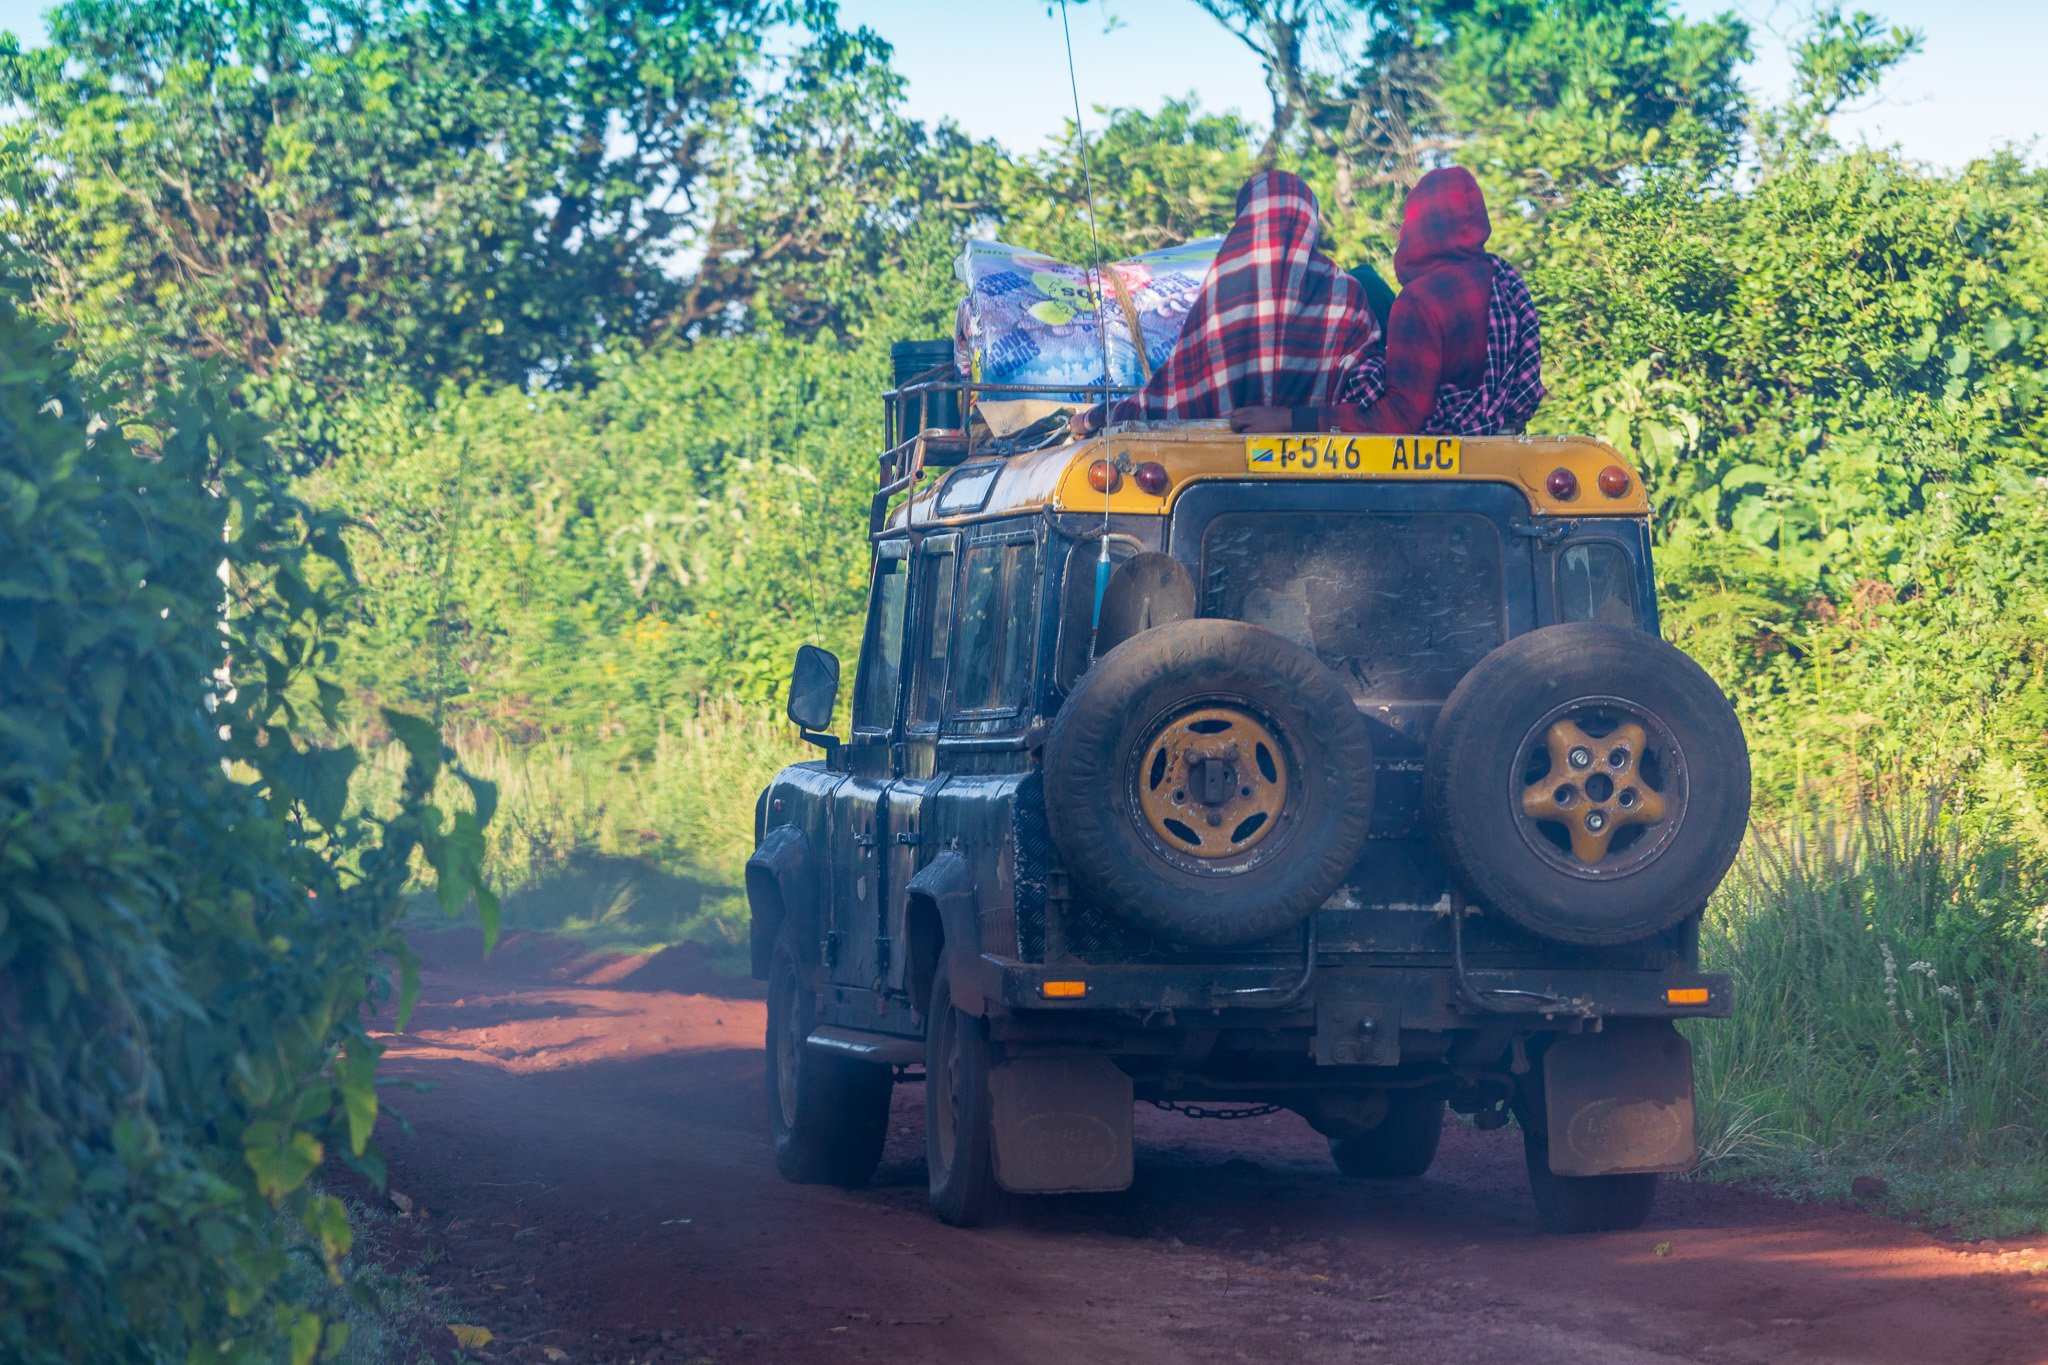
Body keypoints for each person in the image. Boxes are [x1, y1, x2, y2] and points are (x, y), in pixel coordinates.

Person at [1230, 165, 1545, 436]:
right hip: (1494, 450)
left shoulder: (1421, 301)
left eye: (1408, 220)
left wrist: (1289, 419)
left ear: (1422, 225)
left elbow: (1399, 416)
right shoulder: (1503, 280)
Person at [1071, 169, 1381, 437]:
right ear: (1310, 221)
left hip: (1221, 479)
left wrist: (1094, 417)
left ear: (1246, 217)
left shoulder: (1224, 285)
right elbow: (1371, 401)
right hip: (1328, 478)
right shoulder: (1347, 294)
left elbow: (1171, 395)